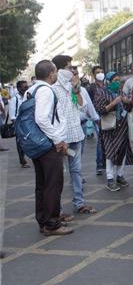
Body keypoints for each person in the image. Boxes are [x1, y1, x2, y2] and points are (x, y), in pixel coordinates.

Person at [28, 60, 72, 235]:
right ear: (50, 74)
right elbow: (42, 119)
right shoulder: (46, 90)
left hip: (36, 143)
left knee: (42, 185)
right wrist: (57, 140)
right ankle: (52, 223)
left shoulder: (32, 90)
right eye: (55, 72)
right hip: (47, 144)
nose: (56, 74)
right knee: (53, 184)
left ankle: (43, 220)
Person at [51, 55, 96, 214]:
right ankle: (58, 210)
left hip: (76, 136)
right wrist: (57, 138)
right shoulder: (51, 88)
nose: (73, 70)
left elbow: (82, 107)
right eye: (70, 67)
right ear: (59, 70)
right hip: (60, 140)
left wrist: (77, 89)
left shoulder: (74, 87)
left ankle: (79, 203)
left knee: (76, 171)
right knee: (58, 175)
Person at [94, 72, 133, 191]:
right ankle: (110, 179)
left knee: (122, 152)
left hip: (122, 127)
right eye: (114, 81)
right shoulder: (101, 92)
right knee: (111, 153)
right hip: (109, 128)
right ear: (108, 81)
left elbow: (128, 107)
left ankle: (120, 176)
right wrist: (113, 103)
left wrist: (127, 102)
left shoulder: (120, 92)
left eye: (118, 80)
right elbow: (100, 110)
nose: (117, 83)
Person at [88, 65, 107, 175]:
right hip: (97, 116)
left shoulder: (107, 85)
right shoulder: (92, 88)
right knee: (100, 140)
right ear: (94, 75)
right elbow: (89, 104)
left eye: (102, 71)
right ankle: (100, 165)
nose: (100, 74)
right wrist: (94, 117)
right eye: (98, 72)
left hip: (108, 115)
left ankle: (106, 163)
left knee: (107, 140)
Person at [7, 80, 30, 166]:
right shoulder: (14, 99)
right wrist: (18, 126)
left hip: (28, 123)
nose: (26, 89)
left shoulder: (27, 96)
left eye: (27, 87)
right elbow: (12, 116)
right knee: (20, 142)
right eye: (25, 87)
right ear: (19, 88)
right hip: (19, 124)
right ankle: (22, 160)